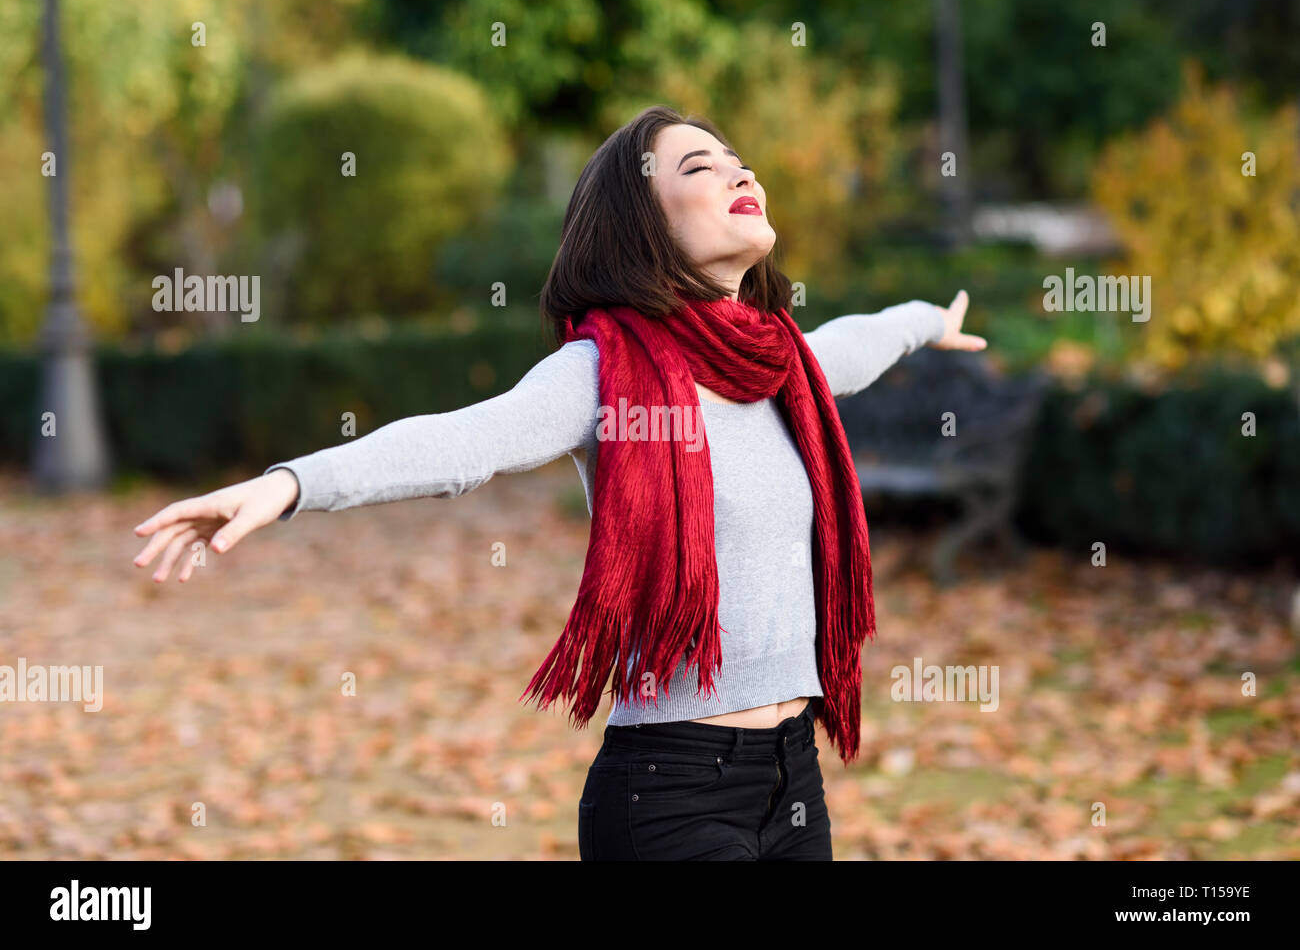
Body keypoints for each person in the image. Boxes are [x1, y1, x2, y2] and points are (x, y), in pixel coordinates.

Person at [132, 105, 987, 860]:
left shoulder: (784, 363)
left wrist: (927, 322)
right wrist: (288, 485)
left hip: (793, 781)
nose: (740, 172)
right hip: (672, 792)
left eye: (738, 162)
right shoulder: (603, 374)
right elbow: (466, 440)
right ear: (639, 226)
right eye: (700, 166)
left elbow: (864, 339)